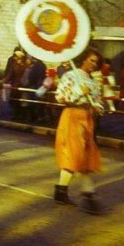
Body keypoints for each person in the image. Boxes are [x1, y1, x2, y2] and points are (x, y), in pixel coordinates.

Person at [53, 48, 105, 214]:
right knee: (75, 153)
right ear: (83, 60)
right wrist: (77, 93)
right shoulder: (70, 76)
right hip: (72, 116)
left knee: (86, 155)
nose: (94, 64)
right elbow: (60, 96)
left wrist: (97, 108)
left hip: (87, 119)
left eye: (96, 62)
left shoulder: (94, 82)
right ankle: (88, 194)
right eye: (91, 60)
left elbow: (98, 102)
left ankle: (62, 190)